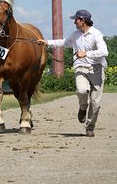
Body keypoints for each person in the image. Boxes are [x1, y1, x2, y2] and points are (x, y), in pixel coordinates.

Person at [37, 9, 109, 137]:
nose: (74, 22)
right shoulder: (75, 34)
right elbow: (64, 43)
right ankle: (82, 107)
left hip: (96, 68)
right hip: (81, 67)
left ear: (83, 20)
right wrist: (47, 42)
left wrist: (87, 53)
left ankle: (90, 127)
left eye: (76, 19)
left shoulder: (96, 34)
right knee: (81, 91)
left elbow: (104, 52)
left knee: (96, 102)